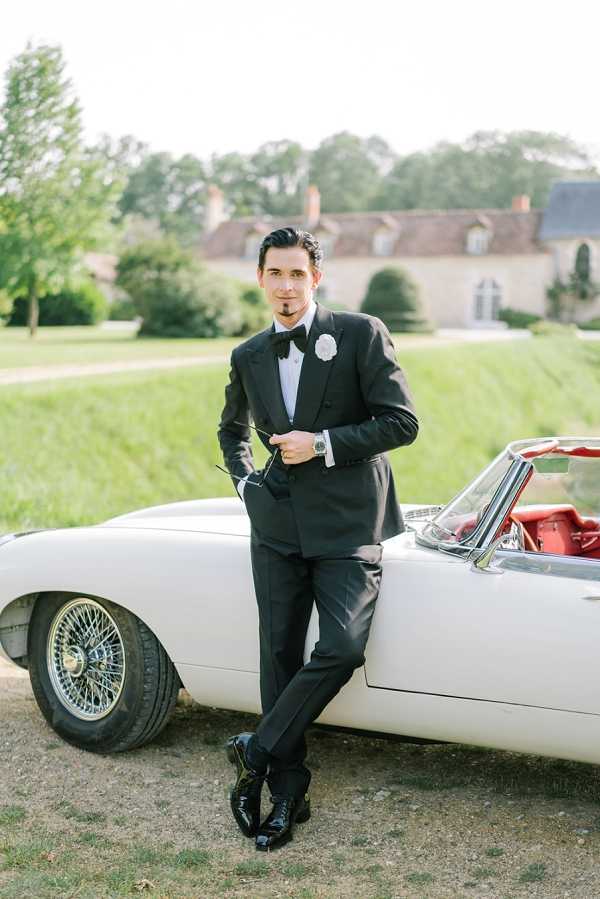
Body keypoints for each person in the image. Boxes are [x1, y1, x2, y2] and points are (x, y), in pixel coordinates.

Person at [218, 227, 418, 851]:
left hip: (349, 525)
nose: (285, 287)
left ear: (316, 277)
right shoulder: (249, 354)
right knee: (276, 657)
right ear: (259, 278)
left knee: (341, 647)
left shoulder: (360, 332)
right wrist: (247, 486)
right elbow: (231, 430)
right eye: (275, 274)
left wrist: (323, 444)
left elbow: (401, 423)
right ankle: (287, 793)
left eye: (297, 275)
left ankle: (257, 748)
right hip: (276, 526)